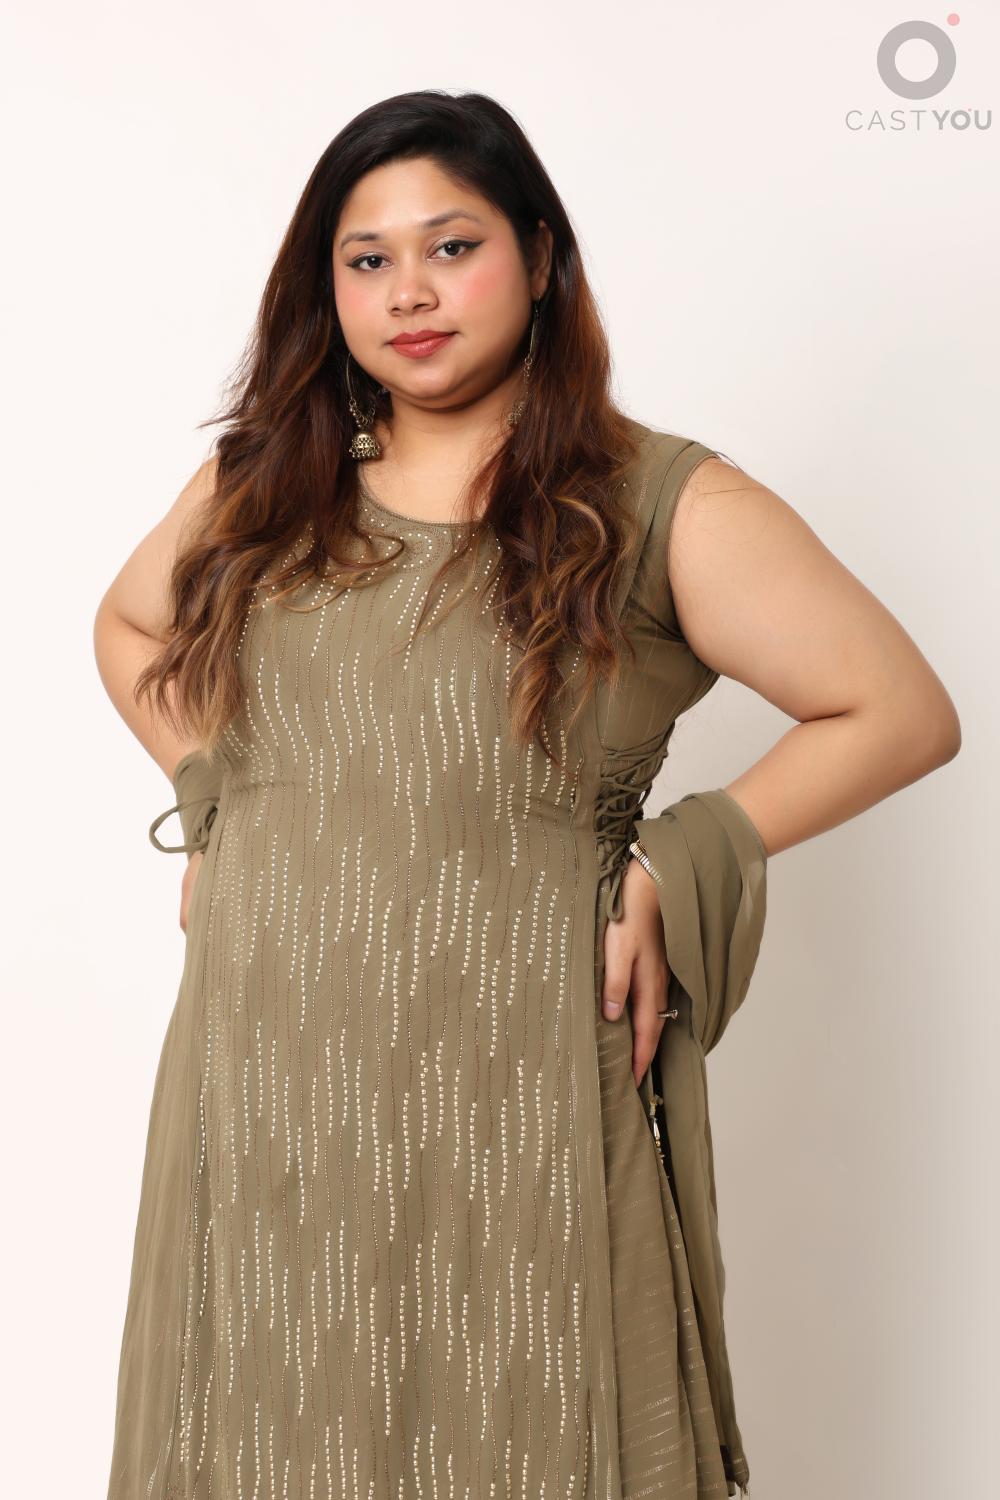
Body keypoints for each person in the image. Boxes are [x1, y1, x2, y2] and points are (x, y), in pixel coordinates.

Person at [94, 90, 961, 1500]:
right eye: (366, 259)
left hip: (517, 1079)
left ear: (541, 256)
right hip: (265, 1083)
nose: (410, 292)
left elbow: (898, 709)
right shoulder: (266, 484)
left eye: (453, 245)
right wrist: (216, 794)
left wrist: (678, 855)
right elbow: (129, 627)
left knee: (537, 1411)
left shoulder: (656, 502)